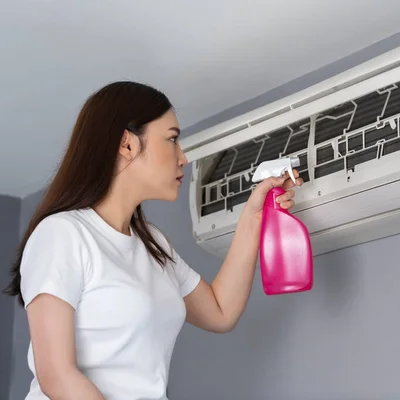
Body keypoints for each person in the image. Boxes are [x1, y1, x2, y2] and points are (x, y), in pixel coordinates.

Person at [3, 81, 302, 399]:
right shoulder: (62, 233)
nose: (183, 157)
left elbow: (220, 311)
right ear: (127, 144)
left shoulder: (154, 245)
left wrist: (255, 215)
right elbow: (57, 376)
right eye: (172, 139)